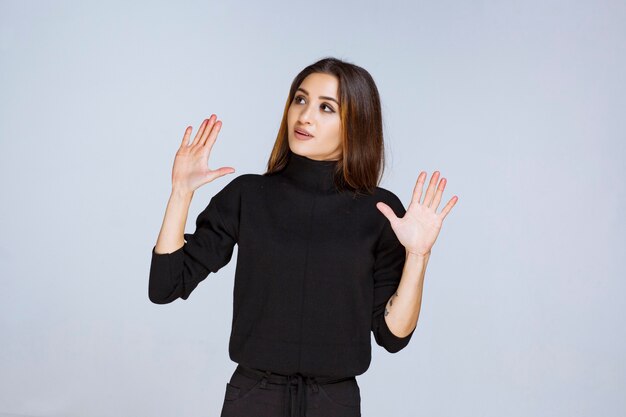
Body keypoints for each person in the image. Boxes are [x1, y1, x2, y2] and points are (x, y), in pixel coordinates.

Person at [148, 57, 458, 417]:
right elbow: (166, 286)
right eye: (300, 99)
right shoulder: (247, 195)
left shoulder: (381, 211)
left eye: (326, 108)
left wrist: (418, 256)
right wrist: (181, 193)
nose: (305, 115)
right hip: (253, 397)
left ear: (355, 125)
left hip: (334, 402)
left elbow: (393, 335)